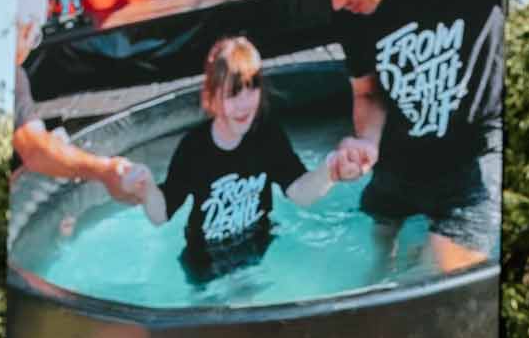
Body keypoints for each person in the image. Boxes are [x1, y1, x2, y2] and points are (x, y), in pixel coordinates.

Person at [305, 0, 503, 274]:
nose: (337, 5)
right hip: (399, 162)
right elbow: (367, 93)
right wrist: (366, 142)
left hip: (472, 155)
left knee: (433, 282)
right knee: (367, 273)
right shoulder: (351, 11)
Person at [126, 36, 362, 285]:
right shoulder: (194, 149)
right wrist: (147, 188)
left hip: (258, 244)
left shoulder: (267, 135)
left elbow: (299, 192)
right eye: (233, 94)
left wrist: (331, 171)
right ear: (211, 97)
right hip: (206, 258)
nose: (244, 103)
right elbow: (161, 214)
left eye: (252, 88)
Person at [11, 0, 147, 202]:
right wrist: (105, 170)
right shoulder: (12, 75)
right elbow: (34, 151)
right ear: (28, 30)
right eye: (36, 38)